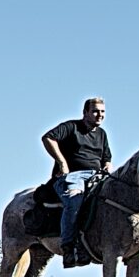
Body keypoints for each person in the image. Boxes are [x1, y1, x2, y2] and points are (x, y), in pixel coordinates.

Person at [42, 97, 114, 263]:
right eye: (95, 111)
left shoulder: (102, 134)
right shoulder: (71, 127)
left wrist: (108, 167)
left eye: (102, 112)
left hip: (96, 176)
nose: (99, 115)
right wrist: (62, 163)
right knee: (74, 199)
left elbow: (107, 158)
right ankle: (68, 245)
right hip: (72, 177)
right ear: (85, 112)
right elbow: (48, 138)